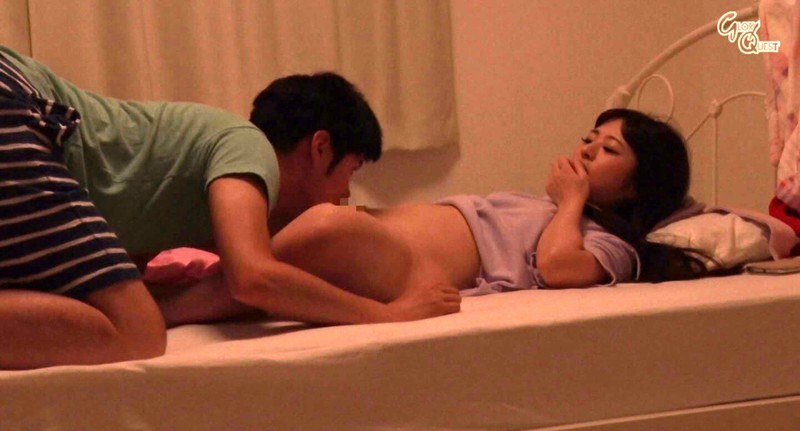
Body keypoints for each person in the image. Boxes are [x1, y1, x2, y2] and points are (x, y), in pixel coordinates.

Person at [0, 46, 459, 370]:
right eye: (351, 172)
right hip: (16, 102)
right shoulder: (246, 146)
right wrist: (388, 315)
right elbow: (254, 278)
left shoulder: (175, 178)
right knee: (137, 331)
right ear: (320, 148)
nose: (345, 196)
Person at [156, 108, 702, 327]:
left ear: (638, 187)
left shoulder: (612, 245)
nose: (585, 150)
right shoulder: (548, 208)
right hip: (384, 239)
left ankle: (176, 308)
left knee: (326, 225)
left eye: (608, 150)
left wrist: (573, 201)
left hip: (419, 270)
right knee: (279, 232)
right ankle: (184, 288)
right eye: (589, 137)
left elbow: (559, 268)